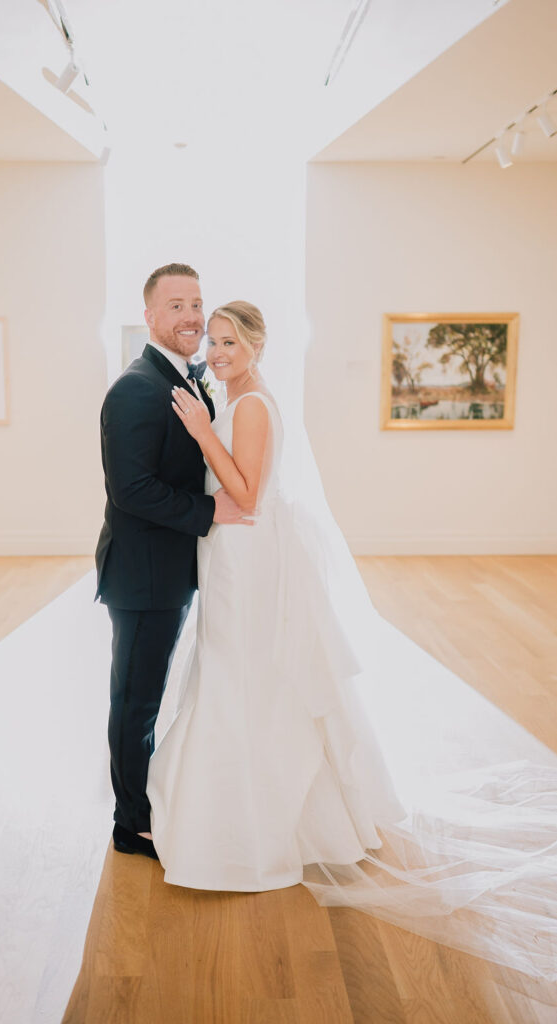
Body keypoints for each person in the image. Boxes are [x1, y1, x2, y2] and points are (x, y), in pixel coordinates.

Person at [146, 300, 557, 981]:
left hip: (245, 561)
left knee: (239, 678)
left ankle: (247, 831)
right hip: (235, 556)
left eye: (226, 341)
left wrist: (197, 431)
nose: (214, 352)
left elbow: (245, 496)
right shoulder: (242, 398)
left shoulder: (248, 406)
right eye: (210, 342)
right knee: (240, 677)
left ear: (254, 345)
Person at [94, 264, 250, 860]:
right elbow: (129, 489)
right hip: (143, 577)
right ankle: (131, 824)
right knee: (135, 702)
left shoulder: (183, 379)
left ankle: (141, 805)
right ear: (151, 315)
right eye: (176, 305)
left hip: (166, 571)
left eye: (197, 304)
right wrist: (208, 510)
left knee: (145, 696)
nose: (190, 317)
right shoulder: (137, 387)